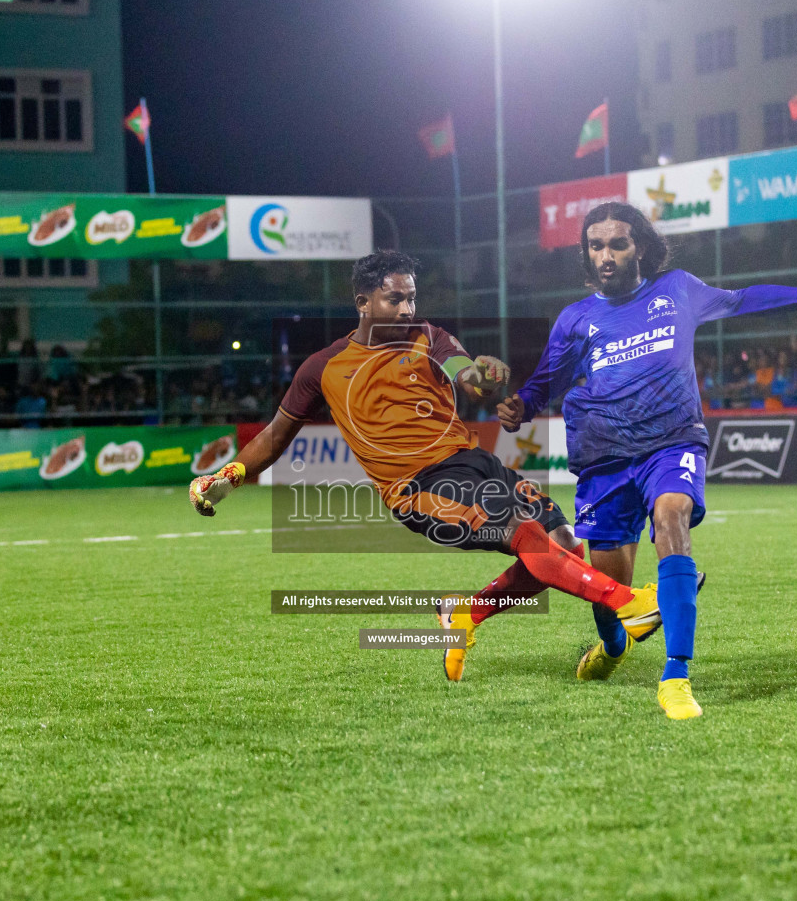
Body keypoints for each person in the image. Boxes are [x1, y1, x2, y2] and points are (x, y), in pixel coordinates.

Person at [188, 250, 662, 683]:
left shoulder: (429, 337)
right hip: (417, 486)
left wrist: (484, 376)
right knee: (526, 535)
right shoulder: (323, 367)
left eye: (411, 299)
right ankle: (629, 605)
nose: (406, 310)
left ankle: (464, 614)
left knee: (562, 546)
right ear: (362, 301)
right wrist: (227, 478)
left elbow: (466, 375)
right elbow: (273, 437)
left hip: (475, 462)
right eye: (395, 300)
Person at [497, 201, 797, 720]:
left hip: (671, 443)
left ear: (640, 247)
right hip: (604, 456)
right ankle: (613, 644)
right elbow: (546, 382)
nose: (605, 254)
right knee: (610, 594)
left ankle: (675, 677)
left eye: (617, 243)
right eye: (595, 245)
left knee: (671, 517)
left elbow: (744, 300)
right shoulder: (576, 320)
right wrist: (521, 406)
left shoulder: (678, 290)